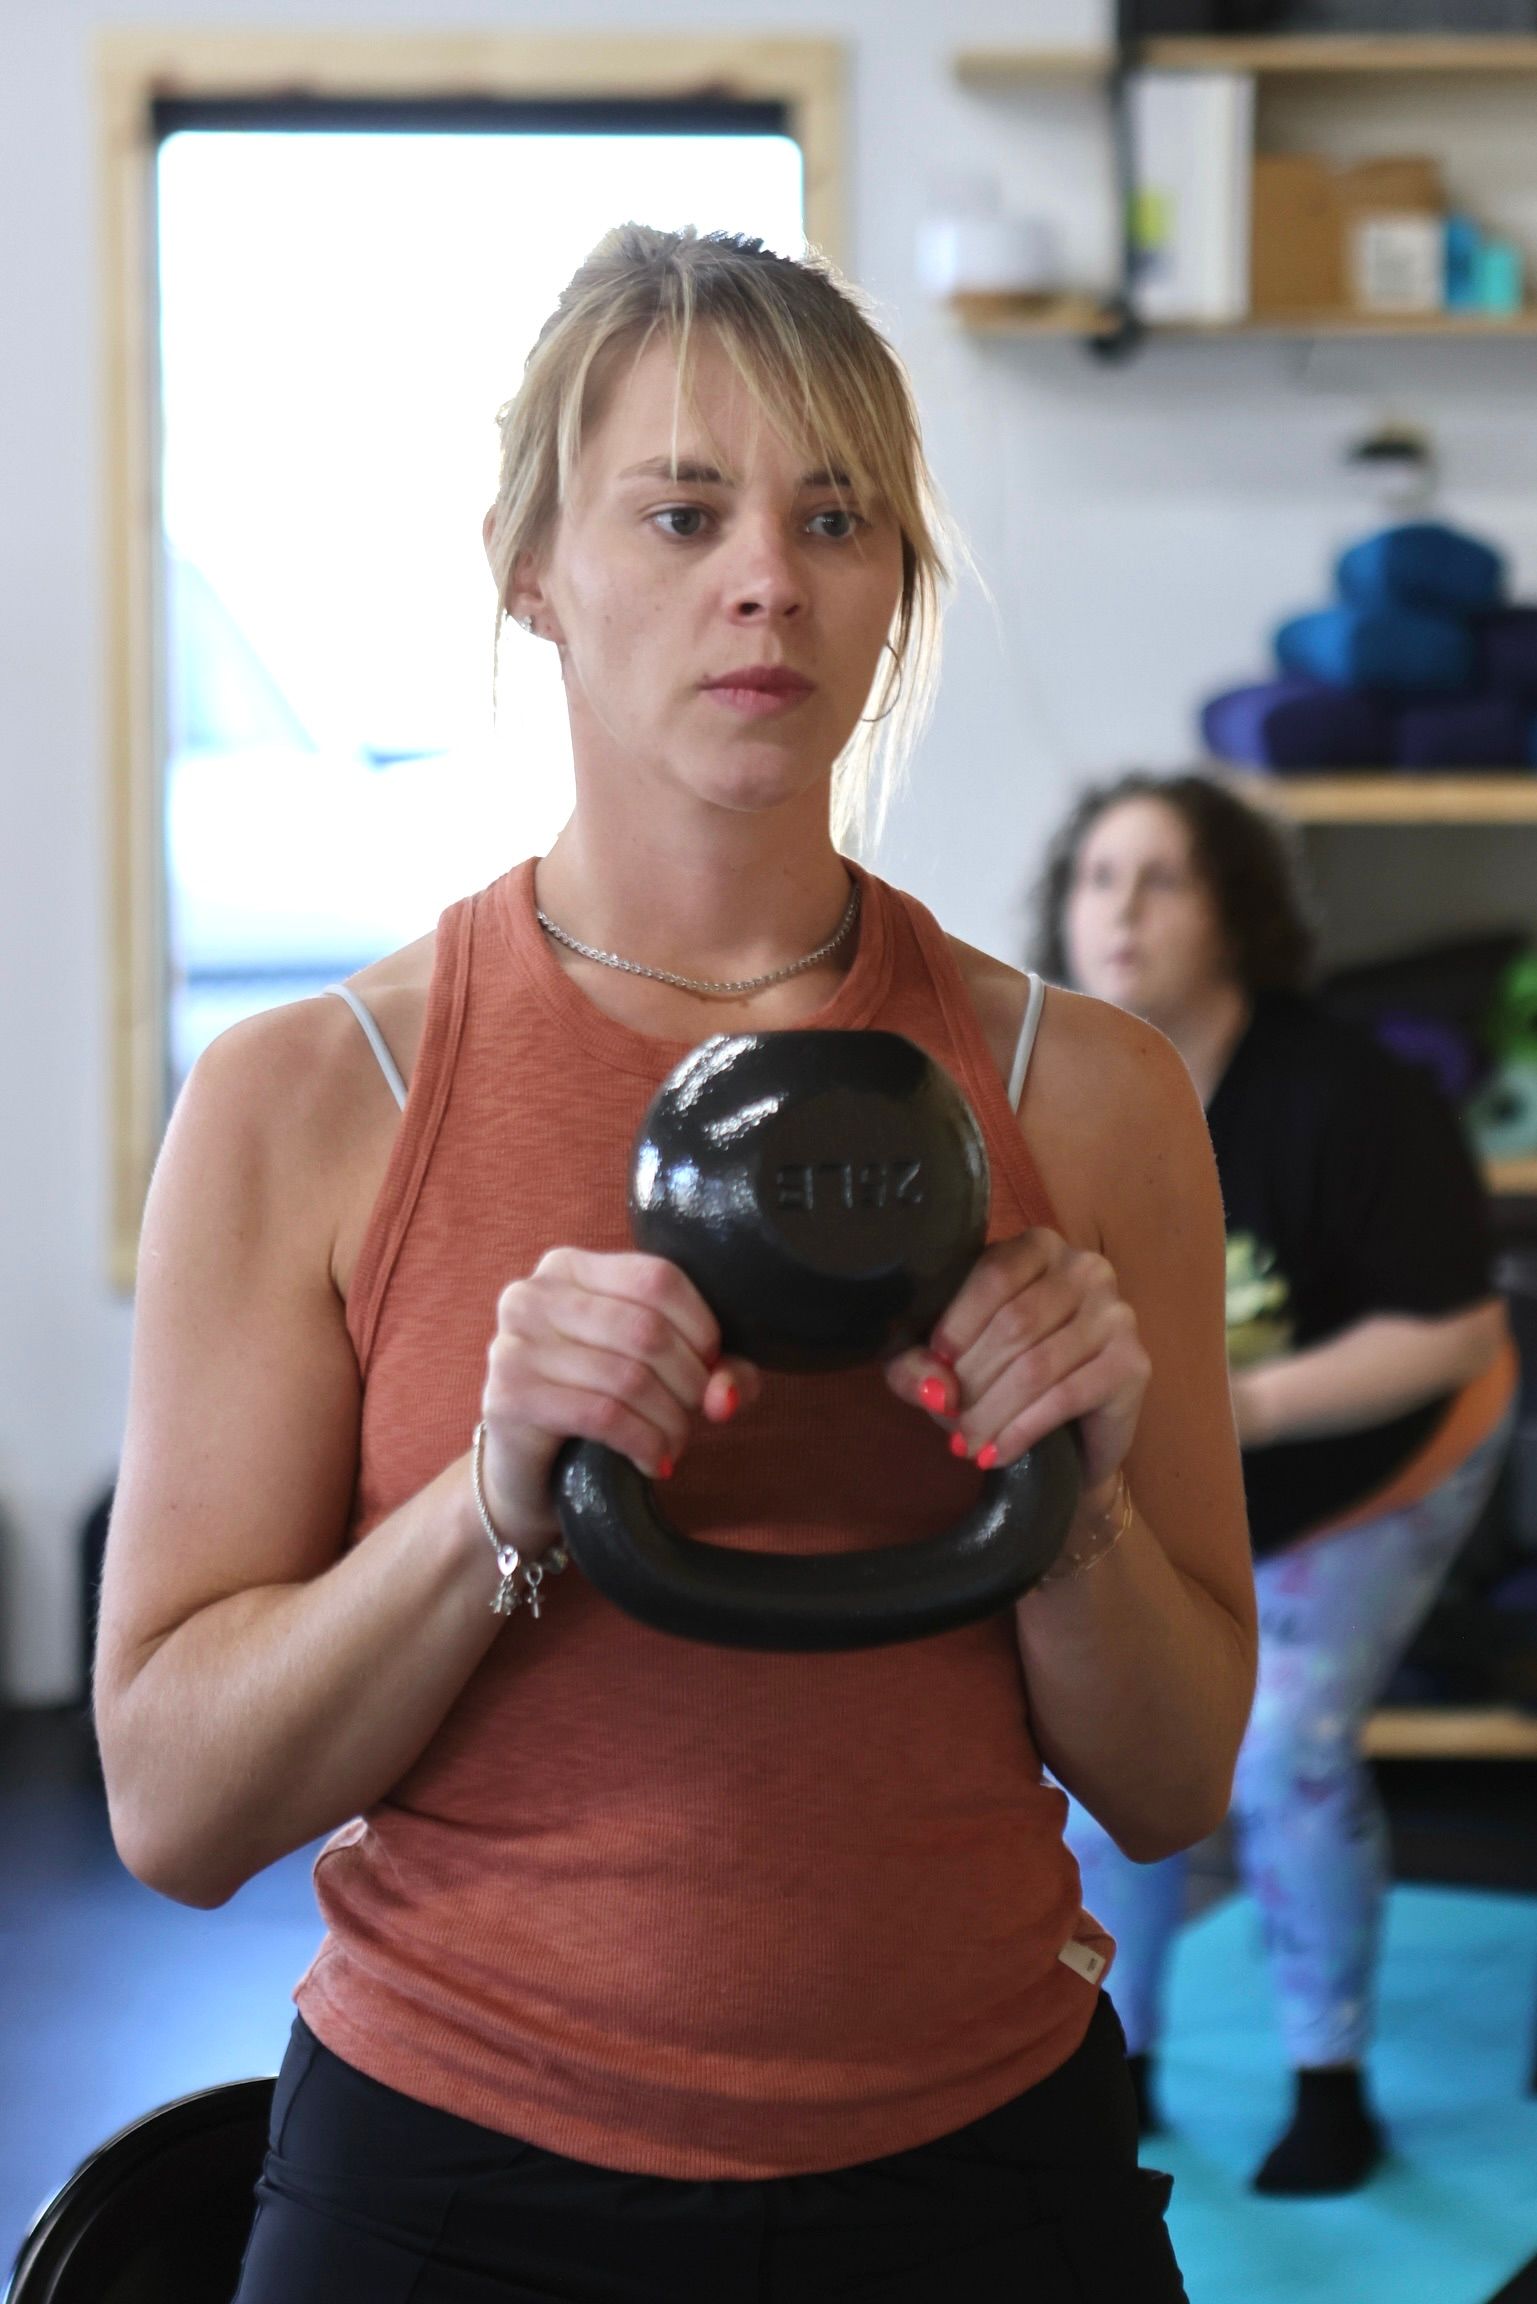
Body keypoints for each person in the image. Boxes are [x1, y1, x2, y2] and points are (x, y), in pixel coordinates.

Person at [93, 229, 1255, 2303]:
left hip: (978, 2170)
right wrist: (491, 1493)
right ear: (530, 566)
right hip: (458, 2177)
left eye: (835, 520)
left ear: (892, 580)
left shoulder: (1086, 1097)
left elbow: (1169, 1786)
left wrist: (1057, 1498)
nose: (765, 581)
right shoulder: (308, 1099)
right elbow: (175, 1809)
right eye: (683, 509)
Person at [1034, 770, 1516, 2198]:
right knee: (1096, 1741)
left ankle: (1330, 2082)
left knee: (1285, 1743)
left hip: (1388, 1456)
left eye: (1159, 878)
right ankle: (1114, 2066)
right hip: (1178, 1469)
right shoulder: (1049, 1089)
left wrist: (1220, 1406)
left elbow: (1458, 1331)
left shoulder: (1346, 1092)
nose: (1118, 911)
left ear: (1233, 910)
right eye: (1096, 877)